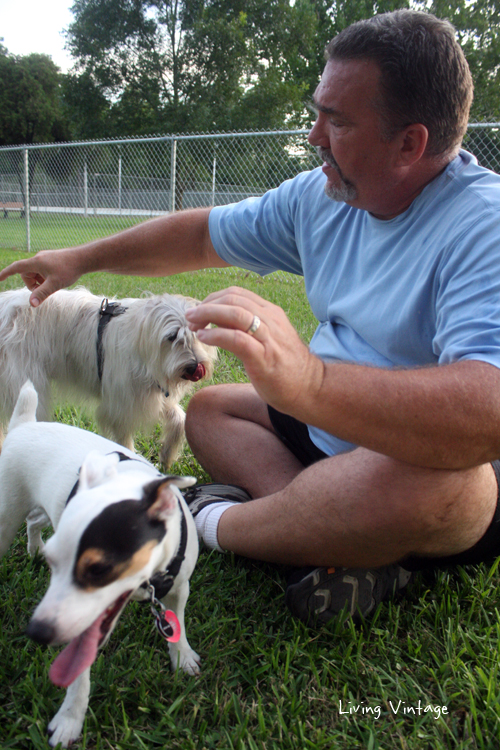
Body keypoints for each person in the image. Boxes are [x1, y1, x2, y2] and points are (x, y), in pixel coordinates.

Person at [2, 9, 500, 627]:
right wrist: (80, 258)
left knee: (453, 489)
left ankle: (210, 525)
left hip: (412, 463)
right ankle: (339, 541)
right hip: (323, 439)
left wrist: (311, 382)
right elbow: (199, 236)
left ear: (410, 143)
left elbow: (488, 412)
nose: (315, 135)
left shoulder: (484, 224)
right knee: (210, 411)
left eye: (337, 120)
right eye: (319, 111)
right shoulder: (325, 195)